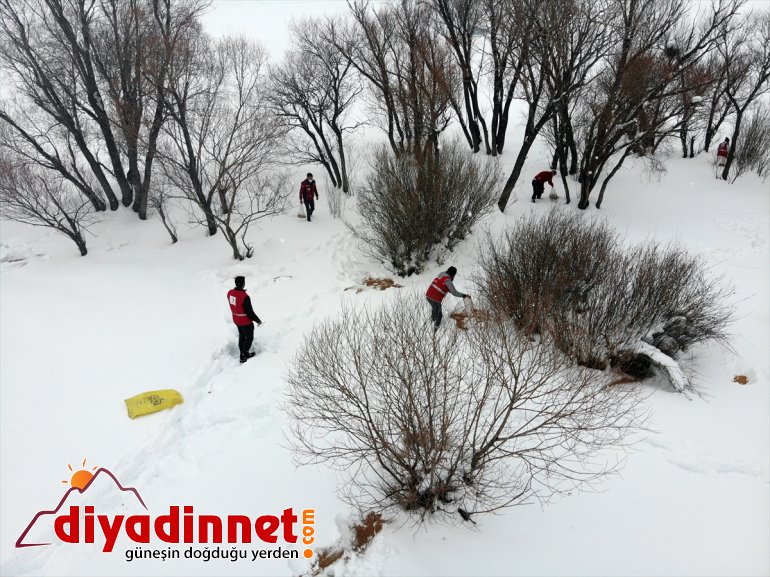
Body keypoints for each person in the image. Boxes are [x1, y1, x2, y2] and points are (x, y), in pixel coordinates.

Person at [226, 276, 262, 363]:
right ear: (243, 284)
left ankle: (242, 352)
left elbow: (234, 304)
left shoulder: (230, 293)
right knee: (249, 338)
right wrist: (258, 320)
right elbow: (249, 312)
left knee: (242, 335)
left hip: (236, 319)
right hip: (245, 321)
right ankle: (244, 354)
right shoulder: (245, 297)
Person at [425, 266, 469, 331]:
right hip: (435, 299)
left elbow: (441, 285)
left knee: (435, 308)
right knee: (439, 316)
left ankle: (432, 320)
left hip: (428, 295)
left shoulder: (441, 274)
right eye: (454, 275)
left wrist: (449, 289)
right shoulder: (448, 281)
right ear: (453, 275)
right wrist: (463, 295)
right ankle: (435, 330)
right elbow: (454, 292)